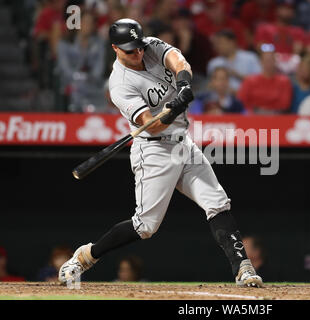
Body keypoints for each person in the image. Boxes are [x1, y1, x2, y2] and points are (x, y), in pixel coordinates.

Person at [58, 19, 263, 288]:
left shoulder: (150, 45)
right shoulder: (119, 84)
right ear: (115, 49)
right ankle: (85, 257)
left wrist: (185, 83)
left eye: (139, 47)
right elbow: (151, 126)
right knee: (145, 226)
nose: (138, 53)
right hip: (154, 150)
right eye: (130, 50)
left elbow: (178, 60)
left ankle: (243, 269)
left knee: (217, 202)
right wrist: (176, 106)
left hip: (183, 143)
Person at [57, 11, 106, 112]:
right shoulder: (65, 43)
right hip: (70, 81)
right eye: (85, 22)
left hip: (92, 81)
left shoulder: (98, 43)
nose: (88, 25)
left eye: (90, 23)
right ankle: (76, 117)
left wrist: (89, 77)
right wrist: (78, 76)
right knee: (77, 88)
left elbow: (99, 67)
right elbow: (64, 67)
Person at [237, 44, 293, 114]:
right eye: (266, 60)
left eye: (271, 60)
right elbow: (241, 101)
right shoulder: (249, 80)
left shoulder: (284, 81)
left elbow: (285, 104)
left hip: (276, 117)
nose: (268, 63)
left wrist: (266, 110)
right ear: (261, 62)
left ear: (275, 61)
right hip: (253, 117)